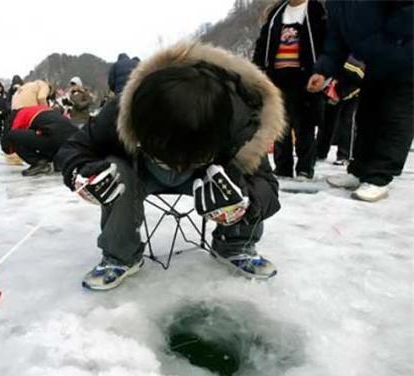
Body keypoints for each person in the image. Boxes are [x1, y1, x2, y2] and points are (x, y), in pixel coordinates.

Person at [55, 42, 285, 290]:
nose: (175, 168)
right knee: (115, 168)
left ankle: (236, 243)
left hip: (208, 176)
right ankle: (120, 254)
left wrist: (245, 205)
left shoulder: (242, 124)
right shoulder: (122, 110)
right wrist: (82, 173)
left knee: (239, 178)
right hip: (142, 171)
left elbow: (268, 186)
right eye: (165, 157)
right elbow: (73, 149)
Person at [308, 1, 413, 202]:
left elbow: (408, 10)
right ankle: (359, 170)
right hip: (375, 62)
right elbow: (335, 41)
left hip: (405, 58)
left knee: (395, 118)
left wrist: (387, 39)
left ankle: (379, 177)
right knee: (367, 116)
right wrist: (323, 71)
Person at [253, 0, 326, 181]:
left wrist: (323, 72)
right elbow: (263, 44)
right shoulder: (276, 13)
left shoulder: (316, 10)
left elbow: (324, 42)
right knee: (280, 125)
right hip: (277, 78)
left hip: (305, 77)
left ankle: (305, 168)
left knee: (305, 125)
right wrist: (258, 70)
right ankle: (282, 167)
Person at [1, 104, 79, 176]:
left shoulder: (19, 115)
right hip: (71, 138)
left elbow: (9, 140)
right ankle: (58, 161)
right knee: (43, 134)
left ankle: (39, 162)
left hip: (53, 136)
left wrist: (8, 147)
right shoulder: (42, 108)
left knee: (13, 135)